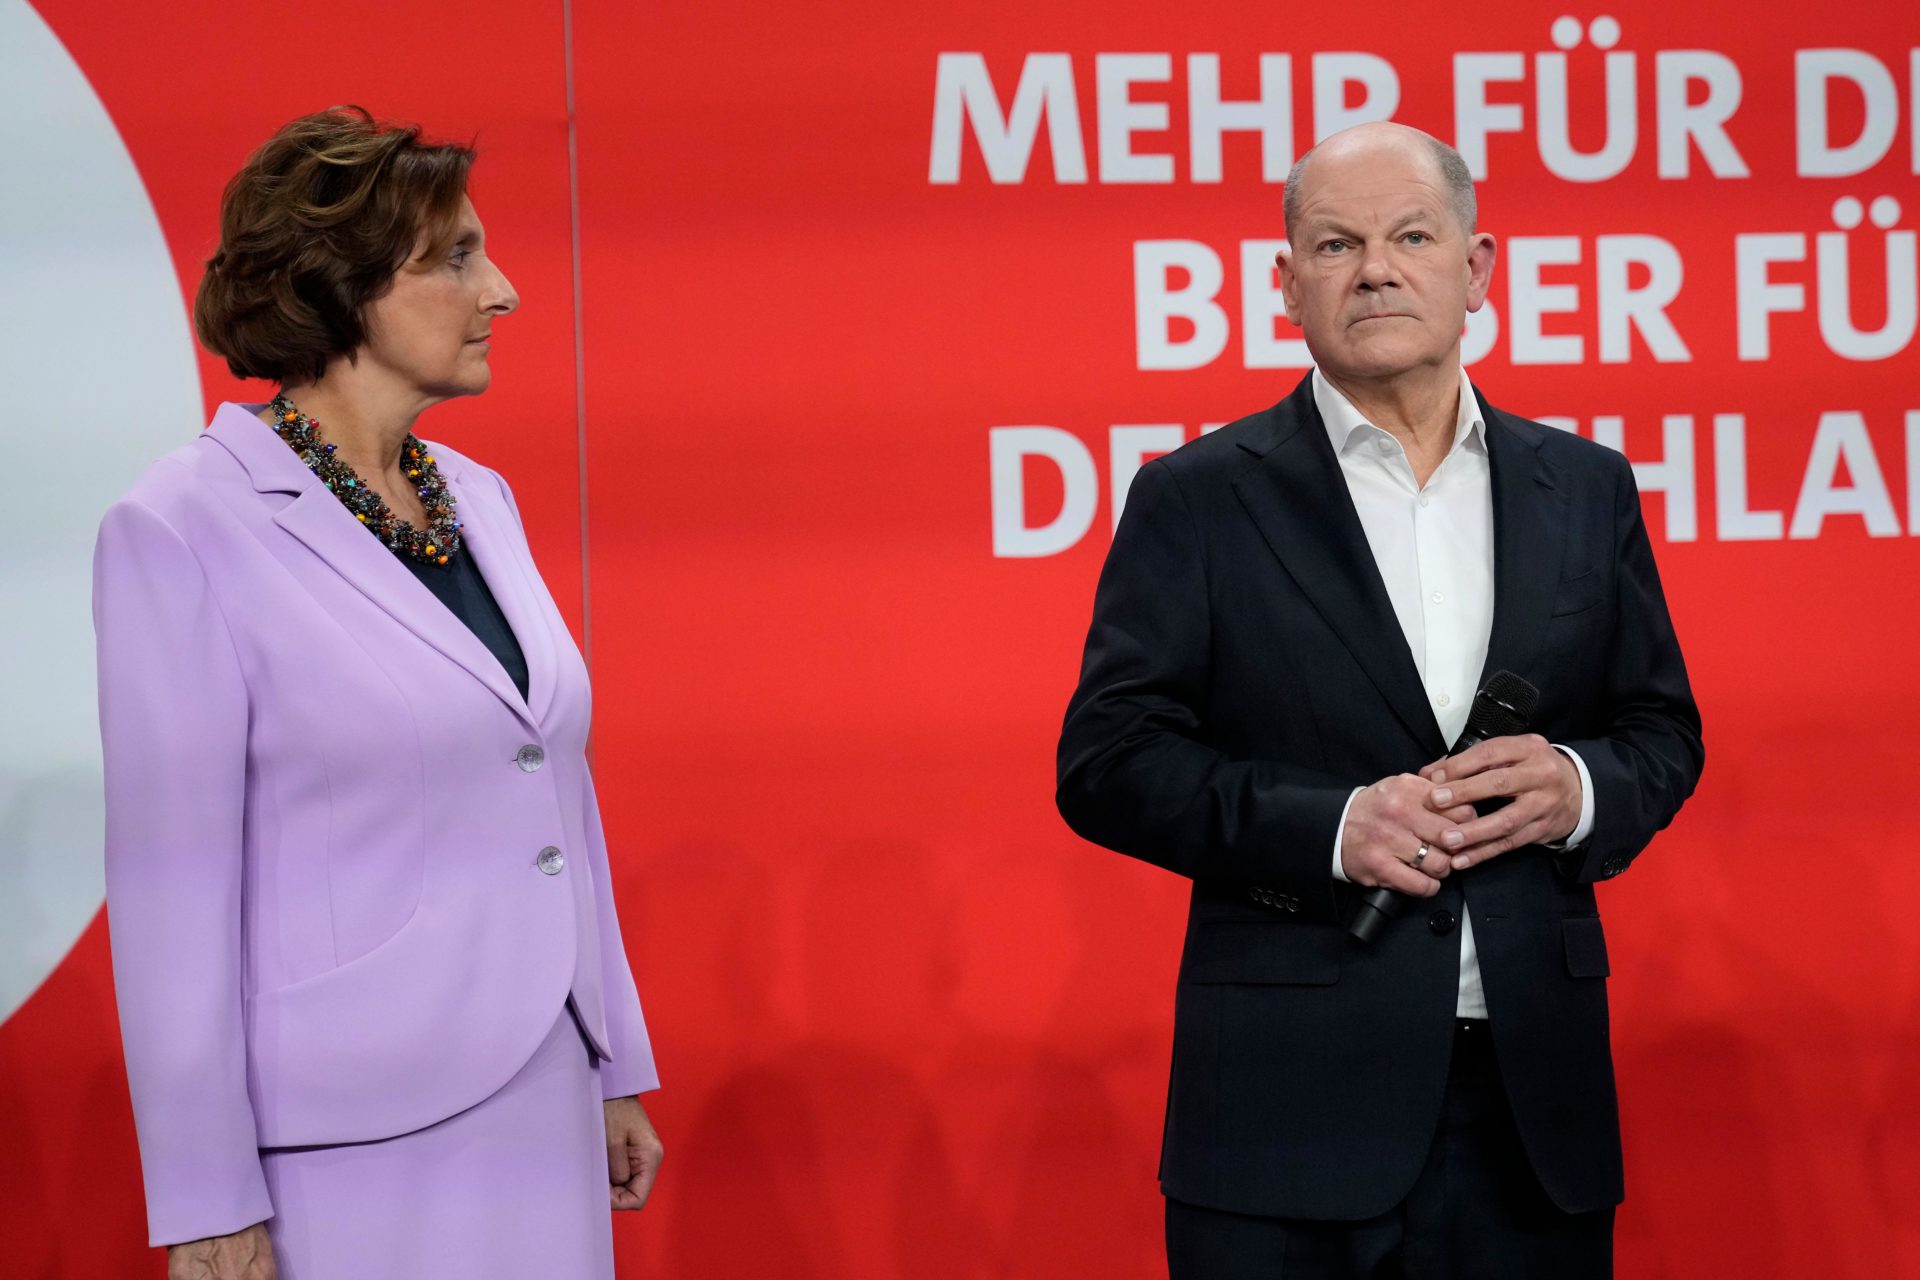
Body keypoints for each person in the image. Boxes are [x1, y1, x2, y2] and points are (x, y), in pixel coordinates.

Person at [1056, 122, 1703, 1277]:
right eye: (1336, 243)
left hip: (1531, 1111)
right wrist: (1336, 826)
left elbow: (1660, 733)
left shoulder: (1585, 489)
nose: (1375, 269)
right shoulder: (1199, 498)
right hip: (1283, 1115)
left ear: (1478, 264)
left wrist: (1578, 787)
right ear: (1286, 282)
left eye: (1411, 235)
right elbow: (1108, 757)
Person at [93, 107, 662, 1280]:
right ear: (339, 289)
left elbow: (551, 783)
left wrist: (614, 1063)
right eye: (454, 257)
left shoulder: (479, 497)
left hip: (541, 1099)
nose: (500, 289)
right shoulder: (181, 525)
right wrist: (206, 1193)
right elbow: (171, 893)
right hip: (351, 1135)